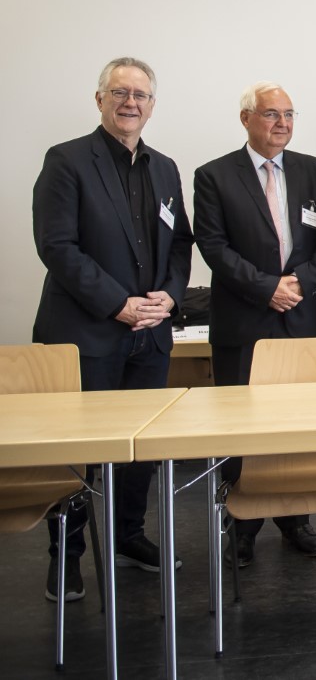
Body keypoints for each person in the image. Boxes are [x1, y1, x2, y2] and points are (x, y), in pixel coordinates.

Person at [32, 56, 193, 600]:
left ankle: (128, 536)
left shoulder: (165, 167)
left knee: (139, 448)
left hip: (149, 335)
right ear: (99, 100)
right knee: (78, 455)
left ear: (152, 106)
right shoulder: (67, 160)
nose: (131, 102)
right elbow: (57, 246)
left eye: (141, 95)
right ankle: (67, 556)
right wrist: (117, 304)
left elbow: (180, 244)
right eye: (120, 92)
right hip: (87, 334)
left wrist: (170, 294)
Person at [194, 82, 316, 565]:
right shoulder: (213, 175)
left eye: (289, 114)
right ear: (246, 119)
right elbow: (214, 247)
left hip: (301, 314)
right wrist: (265, 288)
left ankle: (297, 516)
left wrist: (300, 284)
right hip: (244, 317)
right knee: (242, 425)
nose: (282, 124)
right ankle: (243, 522)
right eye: (271, 114)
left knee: (298, 422)